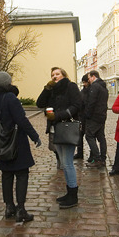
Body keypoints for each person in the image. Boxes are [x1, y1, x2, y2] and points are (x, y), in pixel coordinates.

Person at [0, 71, 41, 222]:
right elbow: (22, 120)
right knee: (21, 174)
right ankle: (21, 209)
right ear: (8, 83)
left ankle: (9, 207)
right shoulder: (11, 98)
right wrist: (35, 136)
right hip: (16, 142)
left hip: (1, 143)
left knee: (6, 175)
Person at [36, 67, 82, 208]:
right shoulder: (52, 89)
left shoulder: (71, 86)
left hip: (67, 127)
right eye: (52, 75)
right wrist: (47, 88)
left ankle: (73, 196)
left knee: (67, 163)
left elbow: (77, 106)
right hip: (56, 129)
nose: (54, 76)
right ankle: (69, 192)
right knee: (63, 162)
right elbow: (40, 103)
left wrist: (58, 115)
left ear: (63, 74)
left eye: (57, 74)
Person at [84, 70, 108, 169]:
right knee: (101, 137)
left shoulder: (95, 86)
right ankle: (103, 158)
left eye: (89, 78)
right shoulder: (104, 87)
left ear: (93, 77)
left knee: (89, 136)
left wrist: (87, 115)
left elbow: (91, 102)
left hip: (94, 116)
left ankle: (97, 159)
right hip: (102, 115)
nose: (88, 80)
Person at [74, 74, 90, 161]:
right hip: (81, 117)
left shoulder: (90, 91)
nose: (84, 84)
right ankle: (80, 153)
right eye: (83, 82)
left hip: (88, 117)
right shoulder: (82, 92)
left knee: (89, 137)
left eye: (85, 82)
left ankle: (92, 154)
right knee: (80, 136)